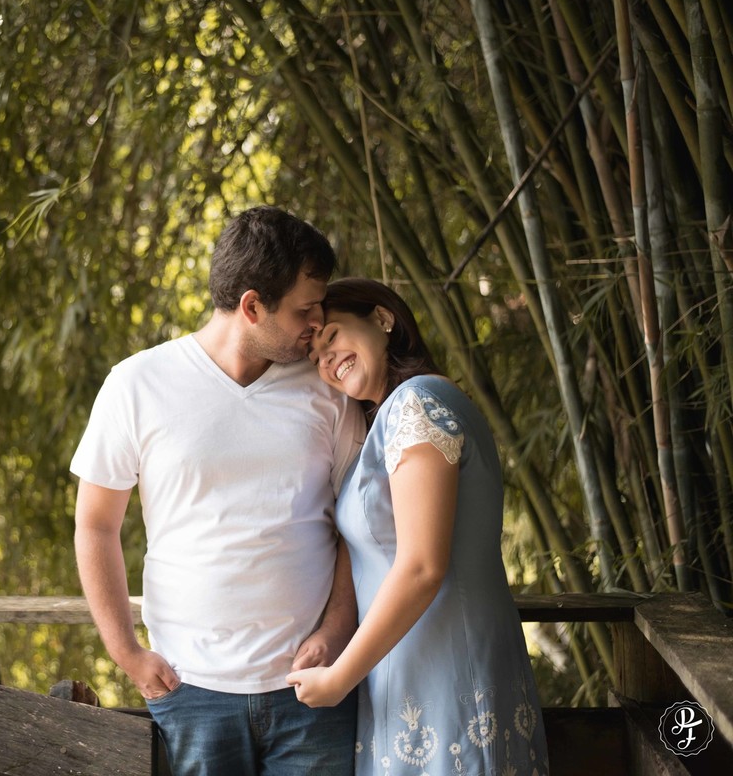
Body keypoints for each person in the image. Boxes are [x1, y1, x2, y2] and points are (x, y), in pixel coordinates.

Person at [71, 206, 366, 775]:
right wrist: (126, 652)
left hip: (313, 690)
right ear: (253, 306)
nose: (319, 322)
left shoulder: (329, 388)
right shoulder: (137, 384)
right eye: (305, 309)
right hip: (190, 691)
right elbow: (96, 524)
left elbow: (358, 526)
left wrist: (334, 632)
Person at [288, 277, 550, 775]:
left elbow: (422, 566)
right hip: (406, 674)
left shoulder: (417, 404)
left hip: (449, 672)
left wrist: (341, 675)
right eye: (315, 356)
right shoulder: (395, 415)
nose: (326, 359)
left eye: (334, 335)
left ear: (383, 319)